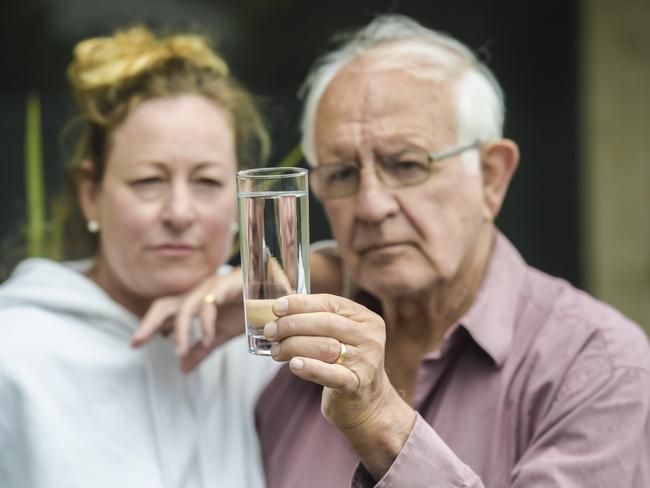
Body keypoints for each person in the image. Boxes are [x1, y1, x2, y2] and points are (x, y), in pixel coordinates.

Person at [252, 14, 650, 488]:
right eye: (340, 174)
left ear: (492, 177)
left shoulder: (597, 366)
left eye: (406, 164)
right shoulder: (293, 369)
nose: (372, 206)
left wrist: (382, 422)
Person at [0, 26, 278, 487]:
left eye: (208, 182)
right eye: (149, 180)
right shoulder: (16, 353)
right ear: (92, 195)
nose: (179, 213)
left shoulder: (260, 348)